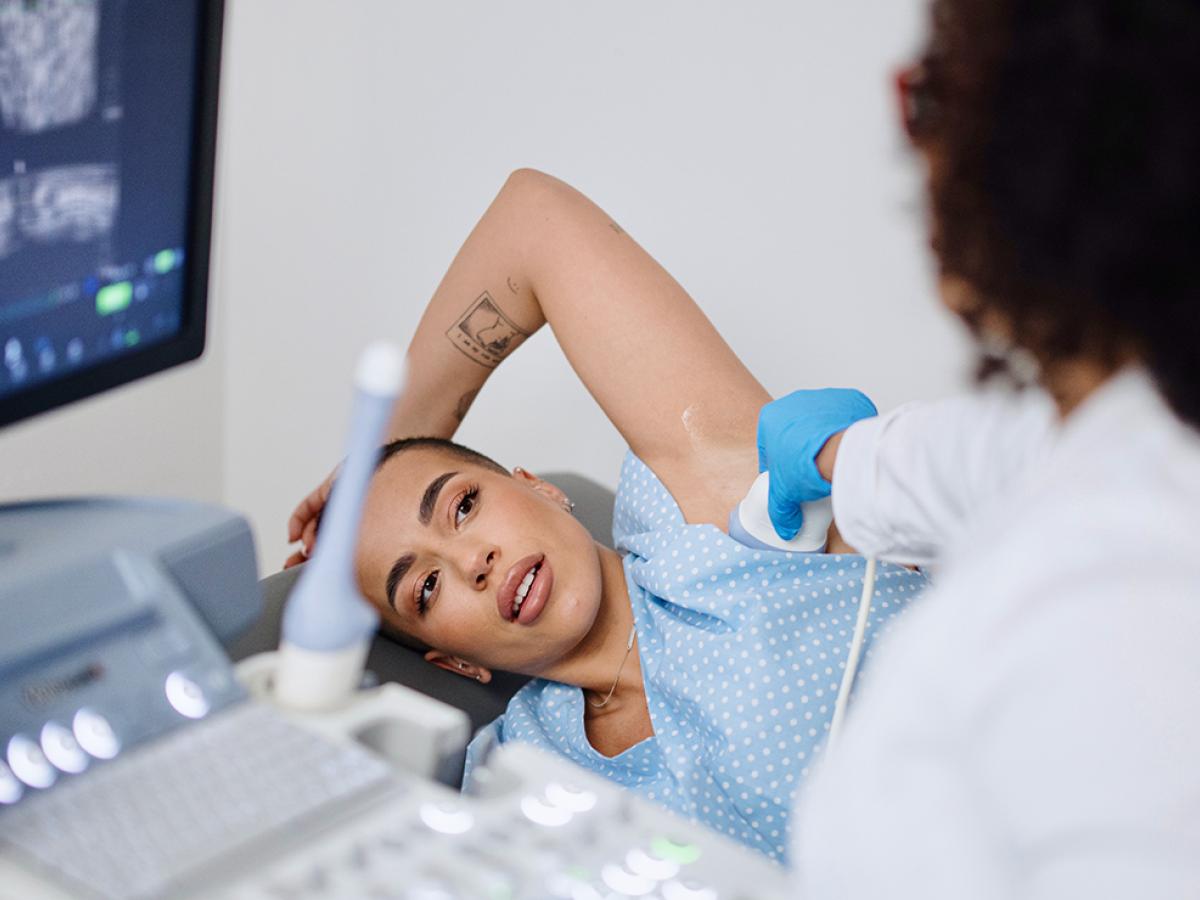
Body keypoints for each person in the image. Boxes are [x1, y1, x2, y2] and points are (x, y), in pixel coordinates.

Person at [285, 168, 924, 861]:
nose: (471, 563)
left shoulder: (703, 517)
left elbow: (532, 221)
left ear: (538, 487)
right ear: (456, 663)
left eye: (464, 504)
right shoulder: (520, 775)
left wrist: (382, 447)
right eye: (426, 588)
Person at [753, 1, 1200, 895]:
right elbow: (995, 455)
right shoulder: (1117, 429)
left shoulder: (1116, 602)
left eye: (927, 104)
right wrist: (843, 454)